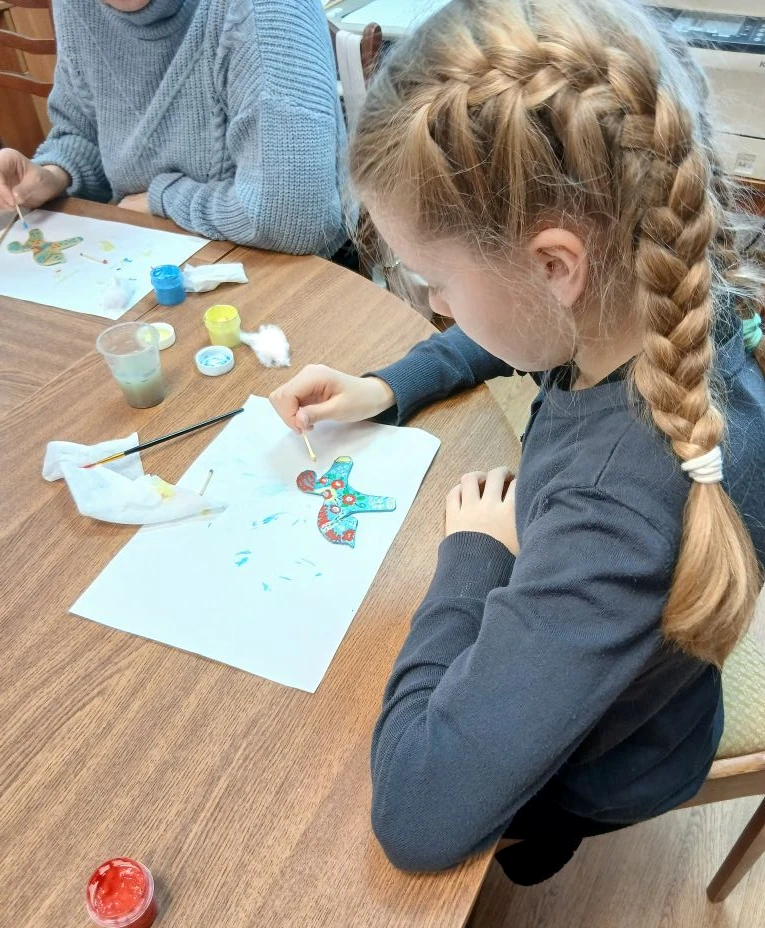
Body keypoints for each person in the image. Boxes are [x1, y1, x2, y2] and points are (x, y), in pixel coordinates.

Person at [269, 0, 765, 884]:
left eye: (436, 281)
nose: (437, 306)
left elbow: (418, 817)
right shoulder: (666, 294)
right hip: (637, 670)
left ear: (554, 266)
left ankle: (547, 835)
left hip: (610, 760)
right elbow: (525, 327)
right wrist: (392, 384)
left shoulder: (612, 517)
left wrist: (473, 557)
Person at [0, 0, 347, 256]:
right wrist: (53, 174)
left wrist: (162, 199)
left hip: (291, 268)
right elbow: (85, 130)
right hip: (154, 250)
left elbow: (294, 216)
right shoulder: (76, 6)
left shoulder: (267, 9)